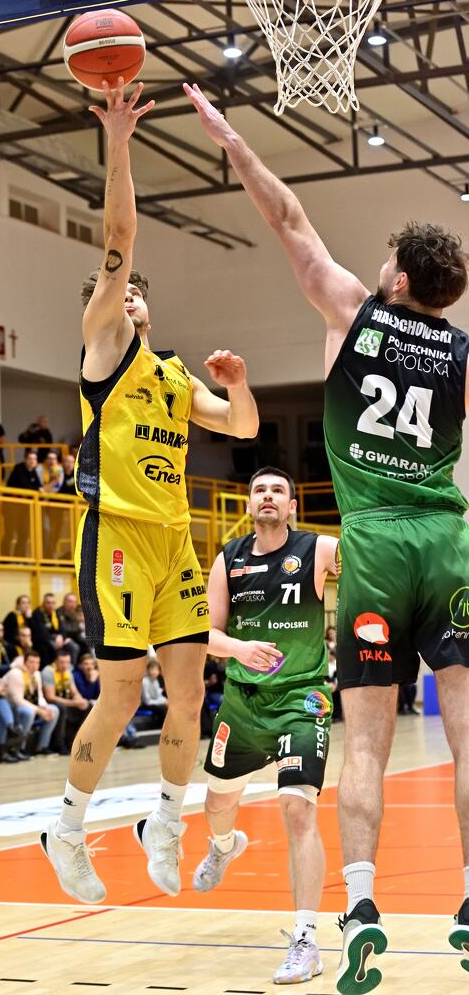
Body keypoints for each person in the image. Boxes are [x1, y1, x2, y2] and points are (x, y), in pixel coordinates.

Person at [185, 82, 469, 991]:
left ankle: (362, 907)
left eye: (388, 258)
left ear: (398, 280)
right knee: (467, 740)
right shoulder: (461, 355)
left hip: (373, 543)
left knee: (369, 749)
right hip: (448, 538)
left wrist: (231, 140)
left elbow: (289, 217)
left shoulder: (354, 310)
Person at [41, 79, 259, 907]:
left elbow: (242, 427)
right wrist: (119, 140)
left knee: (192, 691)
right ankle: (66, 830)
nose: (127, 292)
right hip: (118, 536)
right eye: (116, 287)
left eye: (136, 291)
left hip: (174, 541)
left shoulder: (171, 375)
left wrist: (237, 385)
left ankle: (164, 822)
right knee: (124, 691)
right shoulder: (106, 351)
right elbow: (120, 234)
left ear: (150, 308)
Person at [193, 467, 337, 984]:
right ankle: (225, 846)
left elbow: (373, 562)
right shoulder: (228, 558)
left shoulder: (319, 549)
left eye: (278, 490)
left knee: (297, 809)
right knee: (217, 806)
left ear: (292, 506)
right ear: (250, 505)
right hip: (242, 703)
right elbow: (206, 633)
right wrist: (239, 648)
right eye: (260, 491)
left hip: (302, 698)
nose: (268, 496)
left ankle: (306, 940)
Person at [0, 651, 60, 755]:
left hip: (29, 704)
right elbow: (17, 700)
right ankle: (20, 748)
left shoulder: (37, 674)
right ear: (25, 662)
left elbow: (40, 696)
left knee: (54, 710)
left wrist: (44, 708)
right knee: (29, 712)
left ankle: (42, 746)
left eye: (37, 663)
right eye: (31, 662)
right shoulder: (16, 673)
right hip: (11, 707)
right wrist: (39, 711)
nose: (34, 665)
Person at [41, 648, 89, 754]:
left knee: (87, 706)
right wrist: (73, 703)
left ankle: (76, 741)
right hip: (52, 703)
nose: (65, 665)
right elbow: (50, 697)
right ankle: (59, 744)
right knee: (62, 708)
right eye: (62, 662)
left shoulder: (68, 672)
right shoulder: (48, 672)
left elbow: (74, 692)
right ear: (55, 661)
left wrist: (80, 700)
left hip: (66, 701)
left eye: (67, 662)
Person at [140, 659, 168, 726]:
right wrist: (163, 702)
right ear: (148, 670)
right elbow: (147, 701)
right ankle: (162, 726)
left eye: (156, 670)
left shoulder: (155, 681)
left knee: (169, 706)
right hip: (145, 704)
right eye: (152, 669)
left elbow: (158, 696)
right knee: (162, 709)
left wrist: (166, 701)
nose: (155, 672)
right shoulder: (145, 682)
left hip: (153, 702)